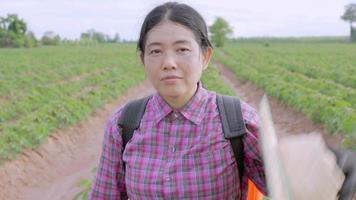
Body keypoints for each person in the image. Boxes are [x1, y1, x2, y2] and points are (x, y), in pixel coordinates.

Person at [89, 2, 355, 200]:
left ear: (205, 56)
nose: (168, 63)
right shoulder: (125, 123)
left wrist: (330, 168)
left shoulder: (235, 120)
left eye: (182, 49)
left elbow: (282, 181)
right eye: (155, 51)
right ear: (143, 59)